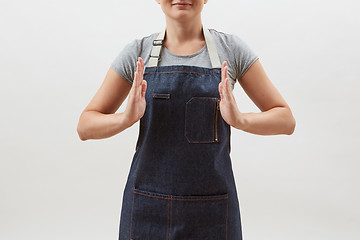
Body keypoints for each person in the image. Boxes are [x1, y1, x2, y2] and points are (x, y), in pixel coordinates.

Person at [77, 0, 296, 239]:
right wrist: (125, 119)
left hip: (214, 212)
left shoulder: (230, 50)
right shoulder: (138, 53)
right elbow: (85, 126)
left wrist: (240, 119)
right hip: (146, 208)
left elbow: (285, 120)